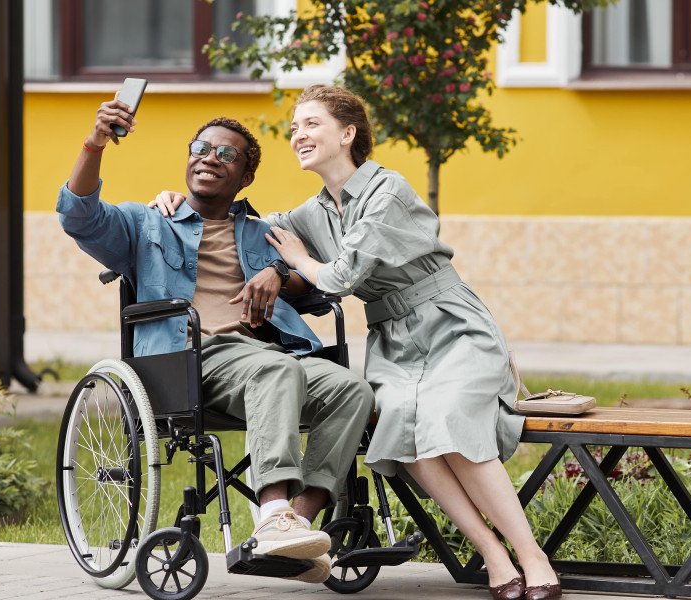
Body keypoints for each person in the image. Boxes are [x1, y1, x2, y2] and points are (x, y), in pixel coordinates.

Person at [151, 84, 560, 600]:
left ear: (347, 133)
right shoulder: (313, 211)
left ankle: (531, 554)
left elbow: (340, 275)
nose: (298, 134)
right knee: (402, 432)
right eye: (294, 127)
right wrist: (172, 200)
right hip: (392, 337)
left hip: (449, 325)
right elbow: (249, 229)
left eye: (311, 124)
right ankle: (494, 555)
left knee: (449, 420)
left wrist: (294, 262)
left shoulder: (388, 191)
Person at [58, 97, 375, 585]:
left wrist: (275, 272)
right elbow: (78, 215)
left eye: (226, 155)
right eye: (200, 148)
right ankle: (271, 514)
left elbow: (314, 288)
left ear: (245, 177)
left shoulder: (263, 232)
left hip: (268, 356)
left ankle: (299, 529)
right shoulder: (148, 222)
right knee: (276, 370)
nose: (209, 157)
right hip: (188, 359)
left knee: (352, 390)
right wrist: (95, 140)